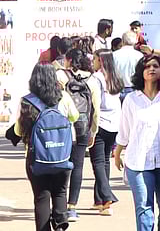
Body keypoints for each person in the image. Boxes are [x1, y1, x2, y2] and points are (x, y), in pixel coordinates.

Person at [114, 55, 160, 231]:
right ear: (141, 72)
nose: (151, 69)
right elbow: (124, 131)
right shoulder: (132, 99)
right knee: (144, 209)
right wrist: (117, 154)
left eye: (155, 66)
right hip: (138, 162)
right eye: (147, 66)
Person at [10, 63, 80, 231]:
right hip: (62, 154)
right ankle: (61, 225)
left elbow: (19, 130)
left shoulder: (27, 100)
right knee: (60, 191)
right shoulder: (63, 97)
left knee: (41, 196)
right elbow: (75, 117)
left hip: (36, 158)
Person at [60, 49, 100, 222]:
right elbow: (96, 109)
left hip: (63, 127)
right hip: (82, 127)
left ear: (68, 60)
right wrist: (93, 130)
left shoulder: (60, 76)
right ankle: (72, 207)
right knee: (78, 166)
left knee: (61, 165)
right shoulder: (92, 80)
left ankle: (59, 204)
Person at [90, 49, 122, 214]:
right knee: (105, 161)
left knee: (98, 162)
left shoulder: (96, 78)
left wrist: (91, 127)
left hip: (101, 123)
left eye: (94, 59)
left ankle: (107, 195)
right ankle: (100, 200)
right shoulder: (115, 76)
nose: (92, 61)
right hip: (114, 123)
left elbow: (94, 103)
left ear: (100, 61)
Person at [114, 31, 144, 97]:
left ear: (122, 41)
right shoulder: (139, 56)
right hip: (133, 89)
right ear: (136, 41)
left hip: (116, 90)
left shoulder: (114, 55)